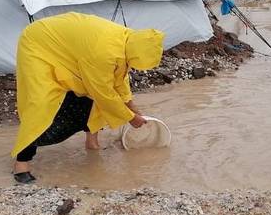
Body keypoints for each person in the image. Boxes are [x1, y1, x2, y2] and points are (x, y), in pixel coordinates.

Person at [10, 12, 164, 184]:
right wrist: (131, 118)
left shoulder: (127, 41)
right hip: (38, 44)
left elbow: (119, 79)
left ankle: (92, 142)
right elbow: (104, 94)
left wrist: (131, 106)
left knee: (89, 94)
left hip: (68, 50)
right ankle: (21, 163)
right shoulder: (104, 51)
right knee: (41, 104)